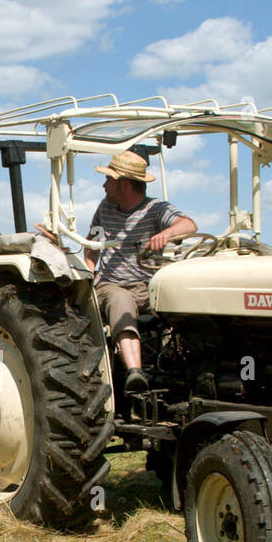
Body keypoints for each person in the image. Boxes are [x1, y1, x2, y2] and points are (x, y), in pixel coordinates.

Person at [39, 150, 196, 392]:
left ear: (124, 185)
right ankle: (135, 373)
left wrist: (165, 234)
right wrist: (89, 274)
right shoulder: (106, 209)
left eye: (108, 180)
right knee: (120, 299)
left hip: (147, 286)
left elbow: (188, 224)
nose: (104, 185)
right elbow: (93, 245)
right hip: (113, 285)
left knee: (182, 297)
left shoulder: (155, 209)